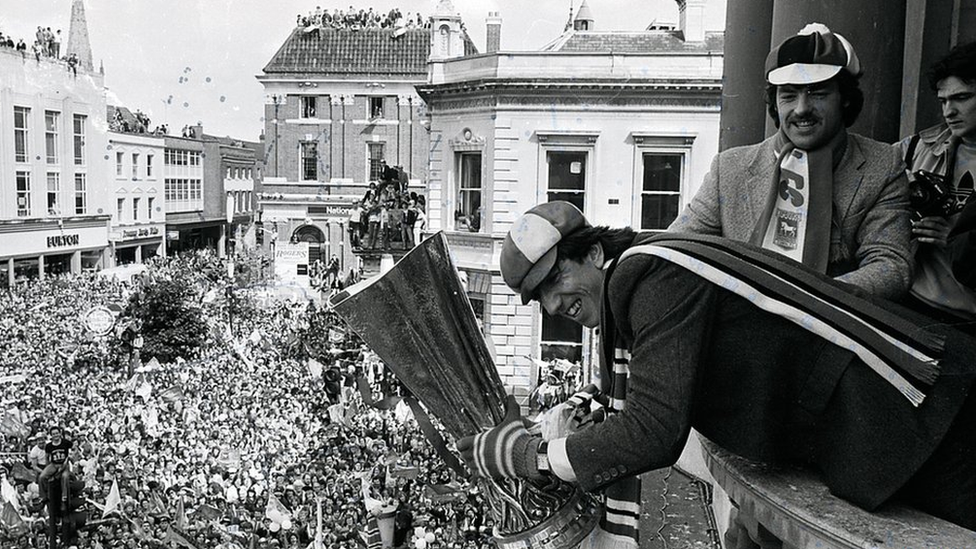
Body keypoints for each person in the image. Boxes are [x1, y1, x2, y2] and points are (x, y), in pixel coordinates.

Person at [459, 201, 976, 543]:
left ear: (594, 253)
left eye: (556, 280)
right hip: (909, 416)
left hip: (922, 416)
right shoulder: (652, 265)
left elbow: (653, 432)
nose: (553, 304)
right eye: (539, 298)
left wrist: (528, 455)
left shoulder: (647, 278)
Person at [669, 24, 913, 299]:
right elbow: (678, 249)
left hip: (831, 326)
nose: (801, 109)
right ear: (774, 102)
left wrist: (806, 300)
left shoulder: (883, 166)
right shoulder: (729, 168)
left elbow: (891, 266)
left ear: (845, 98)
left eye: (818, 93)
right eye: (788, 95)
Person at [898, 41, 976, 332]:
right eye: (943, 101)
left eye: (962, 98)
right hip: (913, 305)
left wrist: (956, 238)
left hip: (967, 320)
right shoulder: (918, 148)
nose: (949, 111)